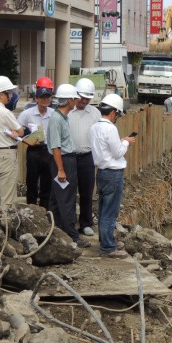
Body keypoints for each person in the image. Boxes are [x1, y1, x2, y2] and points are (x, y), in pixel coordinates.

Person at [88, 94, 135, 258]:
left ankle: (105, 240)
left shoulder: (94, 127)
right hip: (113, 174)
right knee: (110, 211)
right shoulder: (110, 128)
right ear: (114, 112)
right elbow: (118, 152)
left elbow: (106, 148)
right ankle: (108, 247)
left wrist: (120, 141)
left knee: (103, 209)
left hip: (101, 172)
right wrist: (127, 142)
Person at [46, 84, 90, 248]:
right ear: (69, 100)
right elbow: (56, 147)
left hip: (65, 160)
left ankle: (56, 230)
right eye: (75, 98)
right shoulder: (57, 119)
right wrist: (61, 169)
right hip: (63, 161)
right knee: (67, 199)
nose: (78, 100)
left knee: (56, 199)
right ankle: (72, 235)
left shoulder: (62, 117)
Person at [68, 78, 101, 237]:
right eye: (82, 97)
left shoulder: (95, 113)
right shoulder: (66, 112)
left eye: (88, 98)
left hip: (87, 157)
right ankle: (68, 222)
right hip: (69, 157)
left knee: (87, 191)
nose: (84, 101)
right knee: (68, 191)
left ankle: (86, 223)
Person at [17, 85, 54, 209]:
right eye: (42, 97)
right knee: (31, 181)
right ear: (36, 99)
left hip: (48, 151)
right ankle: (31, 209)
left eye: (48, 97)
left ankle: (45, 210)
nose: (46, 100)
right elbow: (17, 132)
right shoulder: (27, 114)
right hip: (33, 151)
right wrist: (27, 141)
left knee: (47, 182)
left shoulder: (54, 114)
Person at [0, 76, 24, 210]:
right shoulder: (4, 112)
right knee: (8, 198)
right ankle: (5, 227)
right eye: (8, 92)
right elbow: (20, 131)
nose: (10, 95)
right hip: (5, 154)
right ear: (1, 94)